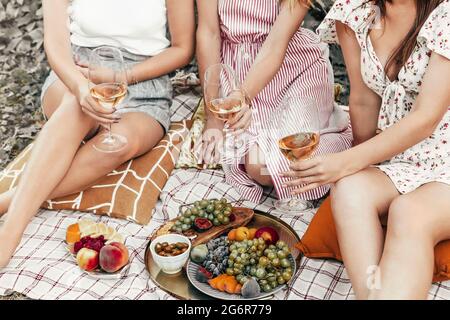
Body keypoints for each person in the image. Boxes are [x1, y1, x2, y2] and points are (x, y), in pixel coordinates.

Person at [0, 0, 195, 268]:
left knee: (118, 144)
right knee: (76, 106)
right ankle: (10, 233)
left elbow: (182, 48)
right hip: (76, 74)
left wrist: (121, 75)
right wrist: (81, 88)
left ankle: (8, 201)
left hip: (144, 81)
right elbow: (55, 44)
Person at [284, 0, 450, 299]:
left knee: (408, 212)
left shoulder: (446, 13)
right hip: (398, 157)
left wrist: (346, 161)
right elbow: (362, 99)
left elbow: (427, 118)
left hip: (445, 155)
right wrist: (354, 165)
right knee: (348, 188)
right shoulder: (354, 11)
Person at [196, 0, 353, 203]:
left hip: (295, 70)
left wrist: (243, 97)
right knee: (257, 165)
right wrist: (214, 118)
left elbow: (275, 45)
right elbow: (208, 33)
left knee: (272, 166)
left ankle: (346, 148)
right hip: (238, 70)